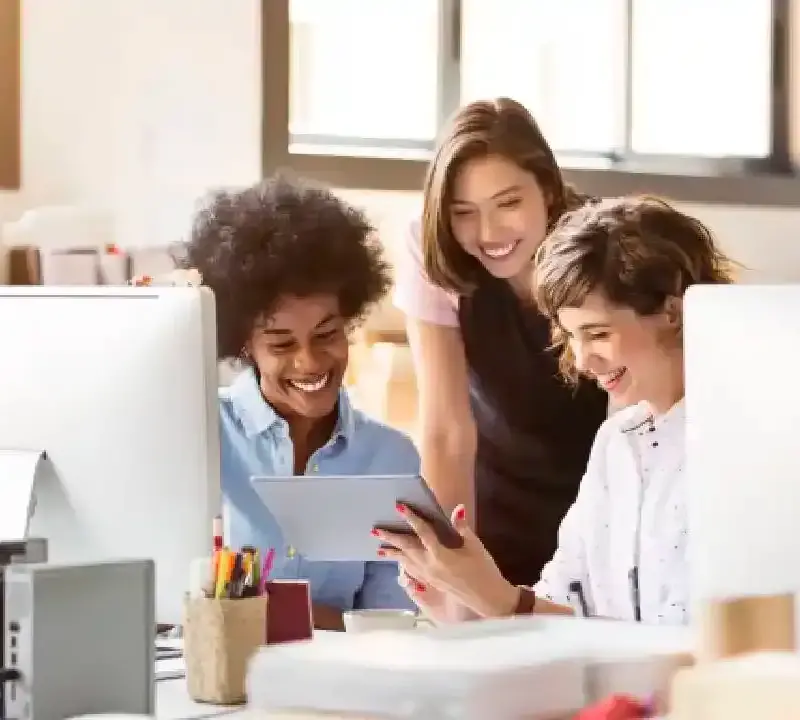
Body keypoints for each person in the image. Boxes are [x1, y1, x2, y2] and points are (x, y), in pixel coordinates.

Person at [377, 195, 737, 624]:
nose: (583, 361)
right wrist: (463, 598)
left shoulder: (737, 441)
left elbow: (690, 643)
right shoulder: (617, 442)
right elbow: (568, 614)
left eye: (598, 333)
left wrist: (498, 599)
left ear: (672, 313)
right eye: (572, 337)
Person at [182, 175, 420, 629]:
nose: (309, 361)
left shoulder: (390, 458)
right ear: (245, 343)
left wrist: (262, 612)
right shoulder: (199, 432)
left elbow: (391, 622)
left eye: (327, 334)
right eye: (281, 343)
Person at [394, 97, 609, 586]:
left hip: (598, 499)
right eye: (463, 212)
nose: (488, 233)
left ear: (549, 191)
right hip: (496, 506)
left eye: (508, 203)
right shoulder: (431, 250)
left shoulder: (604, 249)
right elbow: (446, 431)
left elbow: (630, 425)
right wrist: (446, 566)